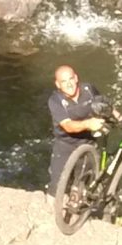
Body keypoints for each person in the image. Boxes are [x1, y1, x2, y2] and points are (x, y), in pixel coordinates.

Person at [47, 63, 106, 193]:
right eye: (64, 81)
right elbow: (68, 126)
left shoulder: (89, 89)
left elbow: (105, 106)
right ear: (58, 84)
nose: (69, 84)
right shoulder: (55, 101)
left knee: (85, 186)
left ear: (76, 78)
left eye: (70, 79)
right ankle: (53, 208)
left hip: (88, 144)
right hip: (65, 145)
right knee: (56, 187)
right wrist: (88, 124)